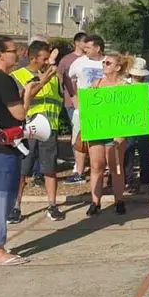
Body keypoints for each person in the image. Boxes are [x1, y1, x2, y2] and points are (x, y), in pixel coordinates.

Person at [0, 36, 41, 266]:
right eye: (13, 50)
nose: (18, 54)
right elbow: (20, 114)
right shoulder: (4, 80)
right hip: (2, 147)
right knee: (0, 198)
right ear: (1, 55)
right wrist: (28, 94)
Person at [8, 40, 64, 223]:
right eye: (44, 58)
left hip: (50, 126)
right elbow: (19, 99)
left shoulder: (53, 75)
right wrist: (42, 82)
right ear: (33, 58)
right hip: (28, 127)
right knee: (23, 169)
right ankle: (15, 206)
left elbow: (58, 97)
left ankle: (52, 205)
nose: (48, 62)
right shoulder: (18, 75)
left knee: (50, 168)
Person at [83, 53, 130, 216]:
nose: (104, 64)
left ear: (117, 67)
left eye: (108, 63)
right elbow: (90, 107)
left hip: (116, 132)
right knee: (96, 165)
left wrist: (123, 133)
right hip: (97, 130)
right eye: (104, 62)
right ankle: (95, 202)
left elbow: (129, 113)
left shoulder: (125, 87)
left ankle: (119, 200)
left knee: (115, 167)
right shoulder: (96, 83)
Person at [67, 34, 106, 184]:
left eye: (89, 47)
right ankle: (79, 172)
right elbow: (70, 81)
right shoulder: (78, 62)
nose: (85, 50)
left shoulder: (108, 62)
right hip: (83, 108)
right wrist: (75, 100)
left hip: (103, 110)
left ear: (98, 48)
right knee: (79, 141)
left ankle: (104, 170)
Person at [58, 32, 87, 184]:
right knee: (76, 135)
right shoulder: (67, 60)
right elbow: (60, 80)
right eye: (84, 42)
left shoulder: (90, 60)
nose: (86, 45)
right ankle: (78, 164)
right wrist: (70, 98)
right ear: (77, 43)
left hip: (88, 103)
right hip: (71, 103)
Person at [123, 57, 149, 194]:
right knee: (127, 151)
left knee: (145, 153)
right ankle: (127, 181)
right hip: (127, 123)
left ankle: (145, 182)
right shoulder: (123, 86)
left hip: (143, 123)